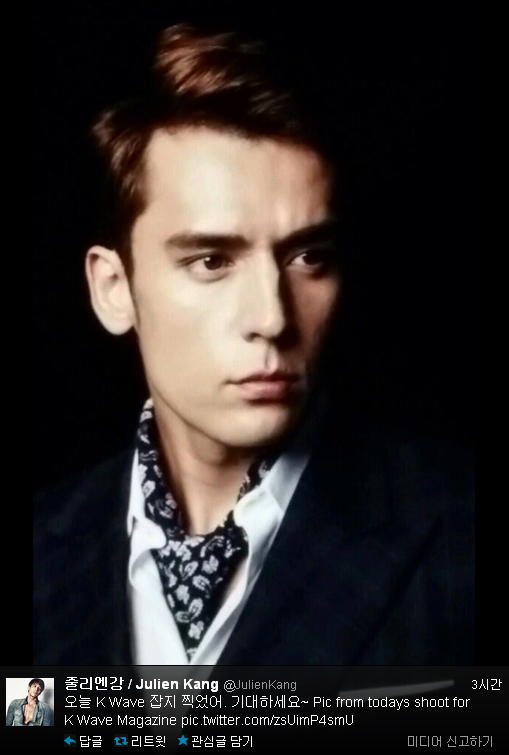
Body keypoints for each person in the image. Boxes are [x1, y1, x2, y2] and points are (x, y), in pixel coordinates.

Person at [33, 23, 474, 665]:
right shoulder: (45, 553)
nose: (271, 317)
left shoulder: (457, 540)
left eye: (307, 257)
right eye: (212, 261)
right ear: (113, 289)